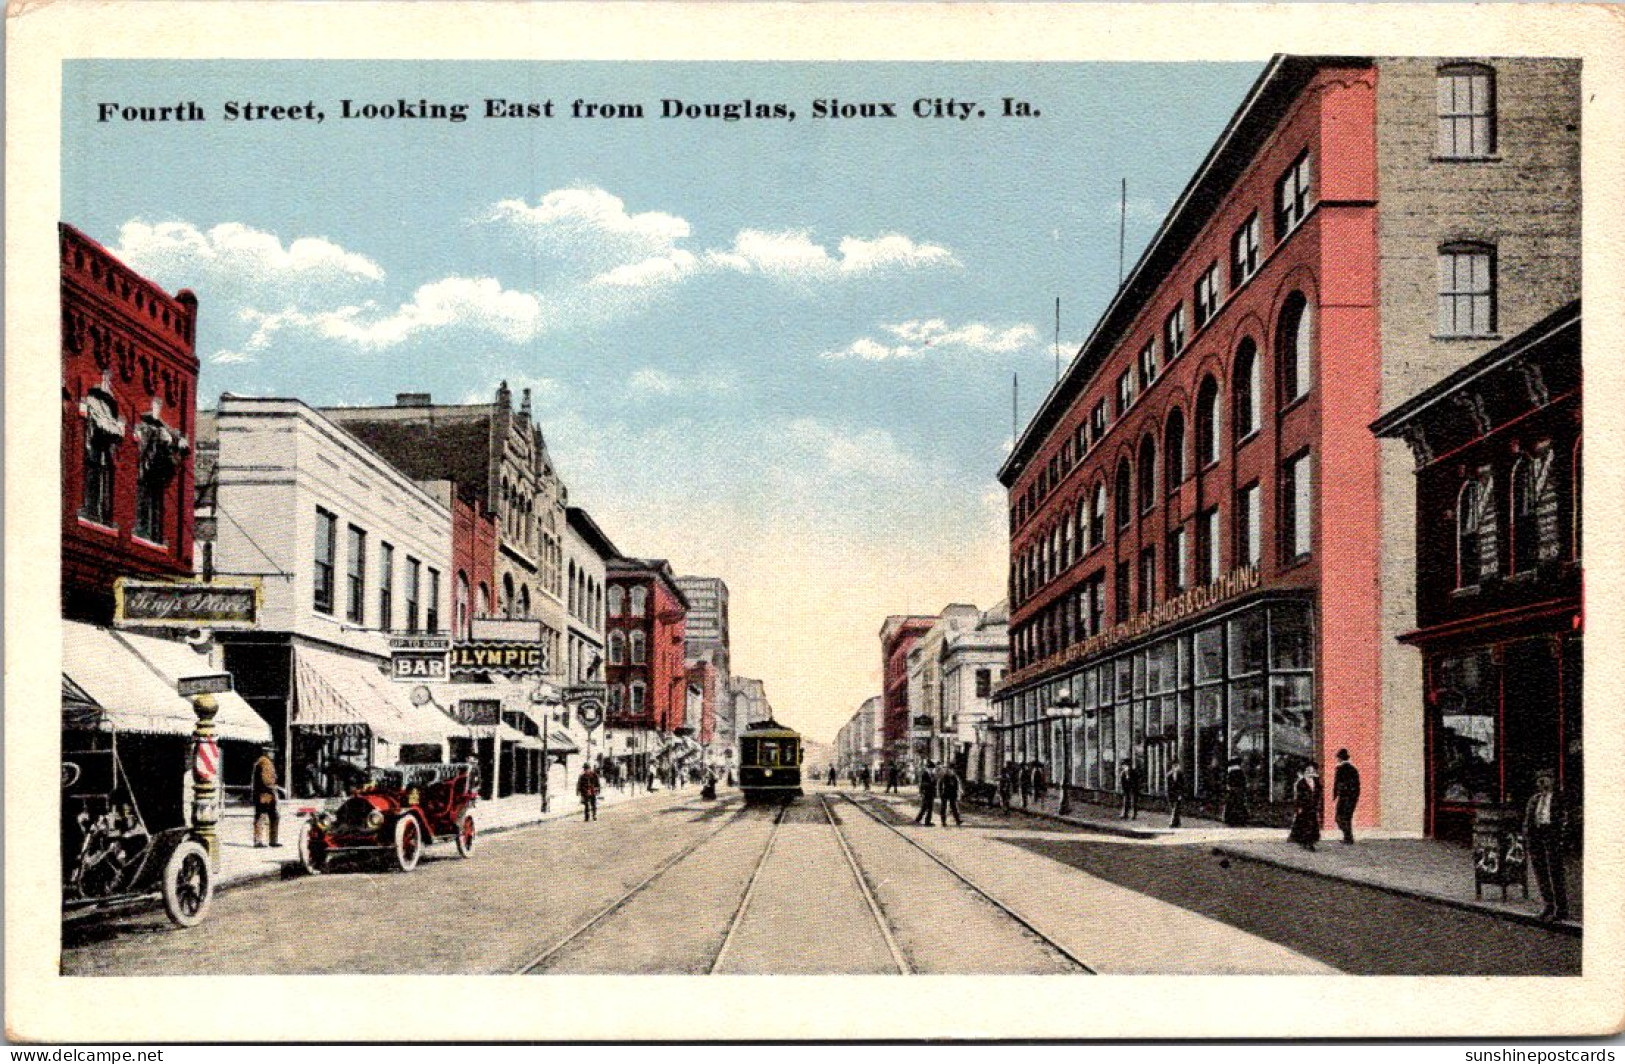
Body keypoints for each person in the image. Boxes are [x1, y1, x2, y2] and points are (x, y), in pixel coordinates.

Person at [1523, 768, 1569, 922]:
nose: (1542, 781)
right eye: (1539, 778)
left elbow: (1566, 820)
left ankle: (1561, 909)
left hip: (1552, 836)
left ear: (1553, 780)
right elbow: (1528, 821)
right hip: (1537, 838)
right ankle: (1548, 905)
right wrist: (1528, 838)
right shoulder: (1534, 799)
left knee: (1555, 873)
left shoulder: (1560, 798)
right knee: (1541, 873)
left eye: (1546, 777)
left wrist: (1562, 838)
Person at [252, 744, 282, 848]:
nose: (273, 754)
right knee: (263, 816)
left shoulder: (263, 761)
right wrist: (275, 788)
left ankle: (269, 840)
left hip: (265, 793)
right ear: (266, 752)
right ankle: (261, 840)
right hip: (265, 794)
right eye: (271, 751)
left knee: (270, 816)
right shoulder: (265, 763)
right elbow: (266, 780)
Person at [1288, 764, 1321, 850]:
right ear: (1305, 772)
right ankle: (1306, 842)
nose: (1310, 772)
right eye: (1308, 771)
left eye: (1312, 771)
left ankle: (1310, 841)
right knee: (1305, 825)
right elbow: (1298, 796)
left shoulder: (1316, 782)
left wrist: (1318, 804)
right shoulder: (1301, 783)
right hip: (1304, 807)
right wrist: (1299, 807)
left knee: (1313, 824)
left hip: (1313, 806)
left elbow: (1318, 794)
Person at [1332, 748, 1362, 844]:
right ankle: (1348, 837)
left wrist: (1335, 794)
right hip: (1352, 797)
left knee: (1339, 817)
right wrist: (1355, 796)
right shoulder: (1354, 769)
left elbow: (1337, 783)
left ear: (1340, 759)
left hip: (1344, 797)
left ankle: (1348, 837)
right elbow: (1357, 785)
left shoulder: (1340, 769)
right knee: (1347, 817)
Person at [1222, 759, 1250, 826]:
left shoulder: (1231, 772)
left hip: (1233, 791)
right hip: (1240, 791)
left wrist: (1229, 787)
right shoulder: (1240, 772)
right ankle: (1241, 819)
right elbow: (1244, 782)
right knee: (1240, 804)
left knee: (1231, 804)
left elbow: (1228, 782)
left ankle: (1231, 819)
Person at [937, 762, 964, 826]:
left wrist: (959, 791)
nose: (952, 771)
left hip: (952, 793)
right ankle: (943, 822)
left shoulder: (954, 776)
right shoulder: (944, 776)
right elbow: (940, 785)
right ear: (949, 769)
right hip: (944, 793)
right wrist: (939, 793)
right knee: (944, 807)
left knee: (954, 807)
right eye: (951, 769)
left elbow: (957, 785)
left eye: (953, 770)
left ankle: (958, 820)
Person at [914, 761, 938, 826]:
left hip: (931, 793)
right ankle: (926, 822)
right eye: (931, 768)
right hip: (926, 793)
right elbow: (922, 784)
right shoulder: (925, 774)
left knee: (925, 808)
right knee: (928, 808)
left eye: (932, 768)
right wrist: (921, 792)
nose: (932, 770)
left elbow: (934, 783)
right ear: (928, 768)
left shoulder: (932, 774)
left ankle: (918, 819)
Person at [1165, 761, 1187, 829]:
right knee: (1173, 808)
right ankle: (1177, 822)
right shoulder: (1169, 775)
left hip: (1178, 794)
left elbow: (1182, 785)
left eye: (1177, 766)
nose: (1176, 768)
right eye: (1174, 766)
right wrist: (1167, 794)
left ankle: (1172, 822)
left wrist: (1181, 794)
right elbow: (1168, 787)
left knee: (1176, 808)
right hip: (1171, 794)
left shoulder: (1180, 774)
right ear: (1172, 767)